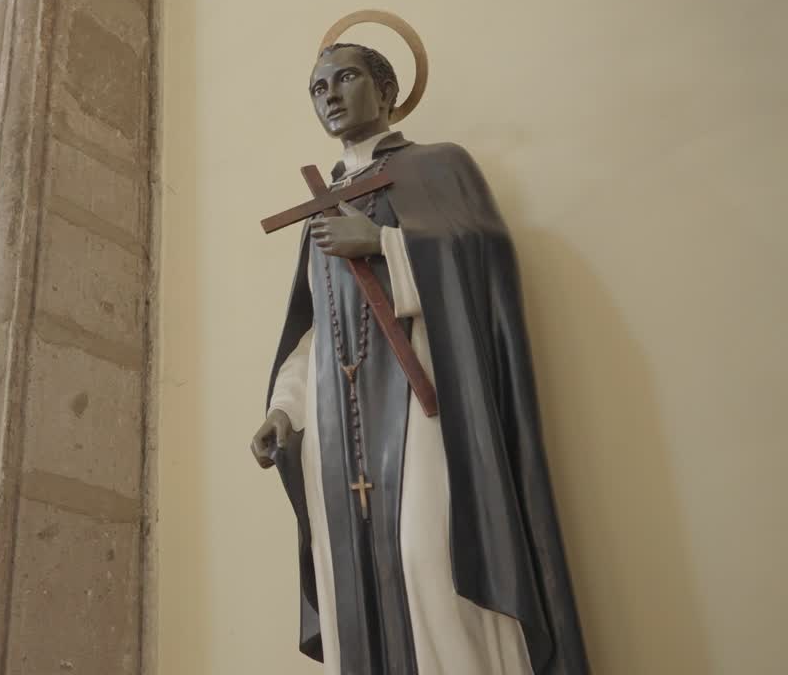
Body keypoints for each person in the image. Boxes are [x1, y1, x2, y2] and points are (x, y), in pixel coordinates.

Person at [252, 43, 588, 674]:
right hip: (336, 428)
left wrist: (384, 243)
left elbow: (484, 262)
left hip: (424, 405)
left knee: (424, 558)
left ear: (386, 91)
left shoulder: (440, 167)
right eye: (316, 86)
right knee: (350, 568)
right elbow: (314, 328)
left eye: (345, 77)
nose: (328, 93)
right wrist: (284, 409)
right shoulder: (320, 205)